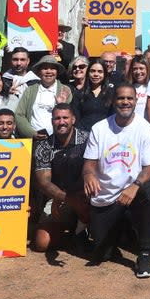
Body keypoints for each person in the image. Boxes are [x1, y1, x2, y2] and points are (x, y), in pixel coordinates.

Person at [82, 84, 150, 278]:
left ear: (135, 101)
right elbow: (89, 164)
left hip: (132, 194)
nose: (125, 102)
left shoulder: (144, 127)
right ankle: (122, 230)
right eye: (120, 98)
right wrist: (89, 175)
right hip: (107, 198)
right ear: (113, 101)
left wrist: (135, 186)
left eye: (129, 98)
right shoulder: (99, 128)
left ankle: (143, 253)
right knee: (104, 254)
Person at [31, 104, 91, 253]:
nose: (61, 122)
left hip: (85, 193)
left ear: (73, 119)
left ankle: (82, 229)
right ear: (52, 121)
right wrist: (61, 197)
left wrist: (75, 197)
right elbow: (44, 182)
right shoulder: (44, 145)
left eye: (65, 118)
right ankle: (71, 227)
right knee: (41, 244)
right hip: (58, 197)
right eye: (57, 118)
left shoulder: (88, 139)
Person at [14, 55, 73, 140]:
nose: (48, 71)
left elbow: (69, 116)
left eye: (52, 69)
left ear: (57, 72)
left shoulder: (64, 90)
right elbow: (19, 114)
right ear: (39, 72)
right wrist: (32, 133)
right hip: (35, 139)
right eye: (45, 68)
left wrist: (61, 104)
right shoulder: (30, 90)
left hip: (58, 139)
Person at [74, 59, 116, 133]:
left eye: (100, 71)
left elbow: (114, 116)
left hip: (105, 134)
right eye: (92, 71)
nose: (96, 74)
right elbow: (76, 117)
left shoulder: (112, 93)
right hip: (84, 135)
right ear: (88, 73)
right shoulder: (79, 94)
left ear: (104, 74)